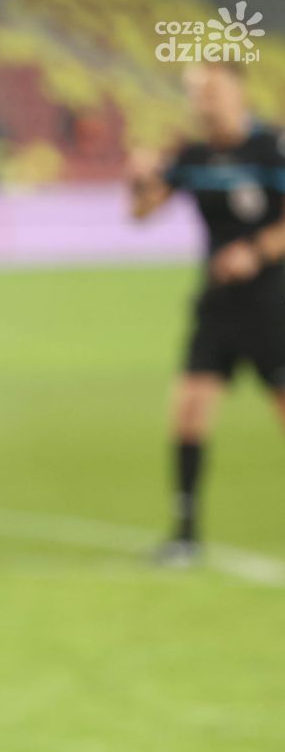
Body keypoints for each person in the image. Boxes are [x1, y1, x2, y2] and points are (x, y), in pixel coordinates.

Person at [129, 61, 285, 565]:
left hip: (273, 305)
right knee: (189, 413)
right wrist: (139, 180)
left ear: (239, 94)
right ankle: (186, 534)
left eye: (212, 91)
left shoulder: (271, 148)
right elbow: (142, 213)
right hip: (217, 306)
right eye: (196, 93)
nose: (203, 101)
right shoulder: (192, 155)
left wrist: (255, 251)